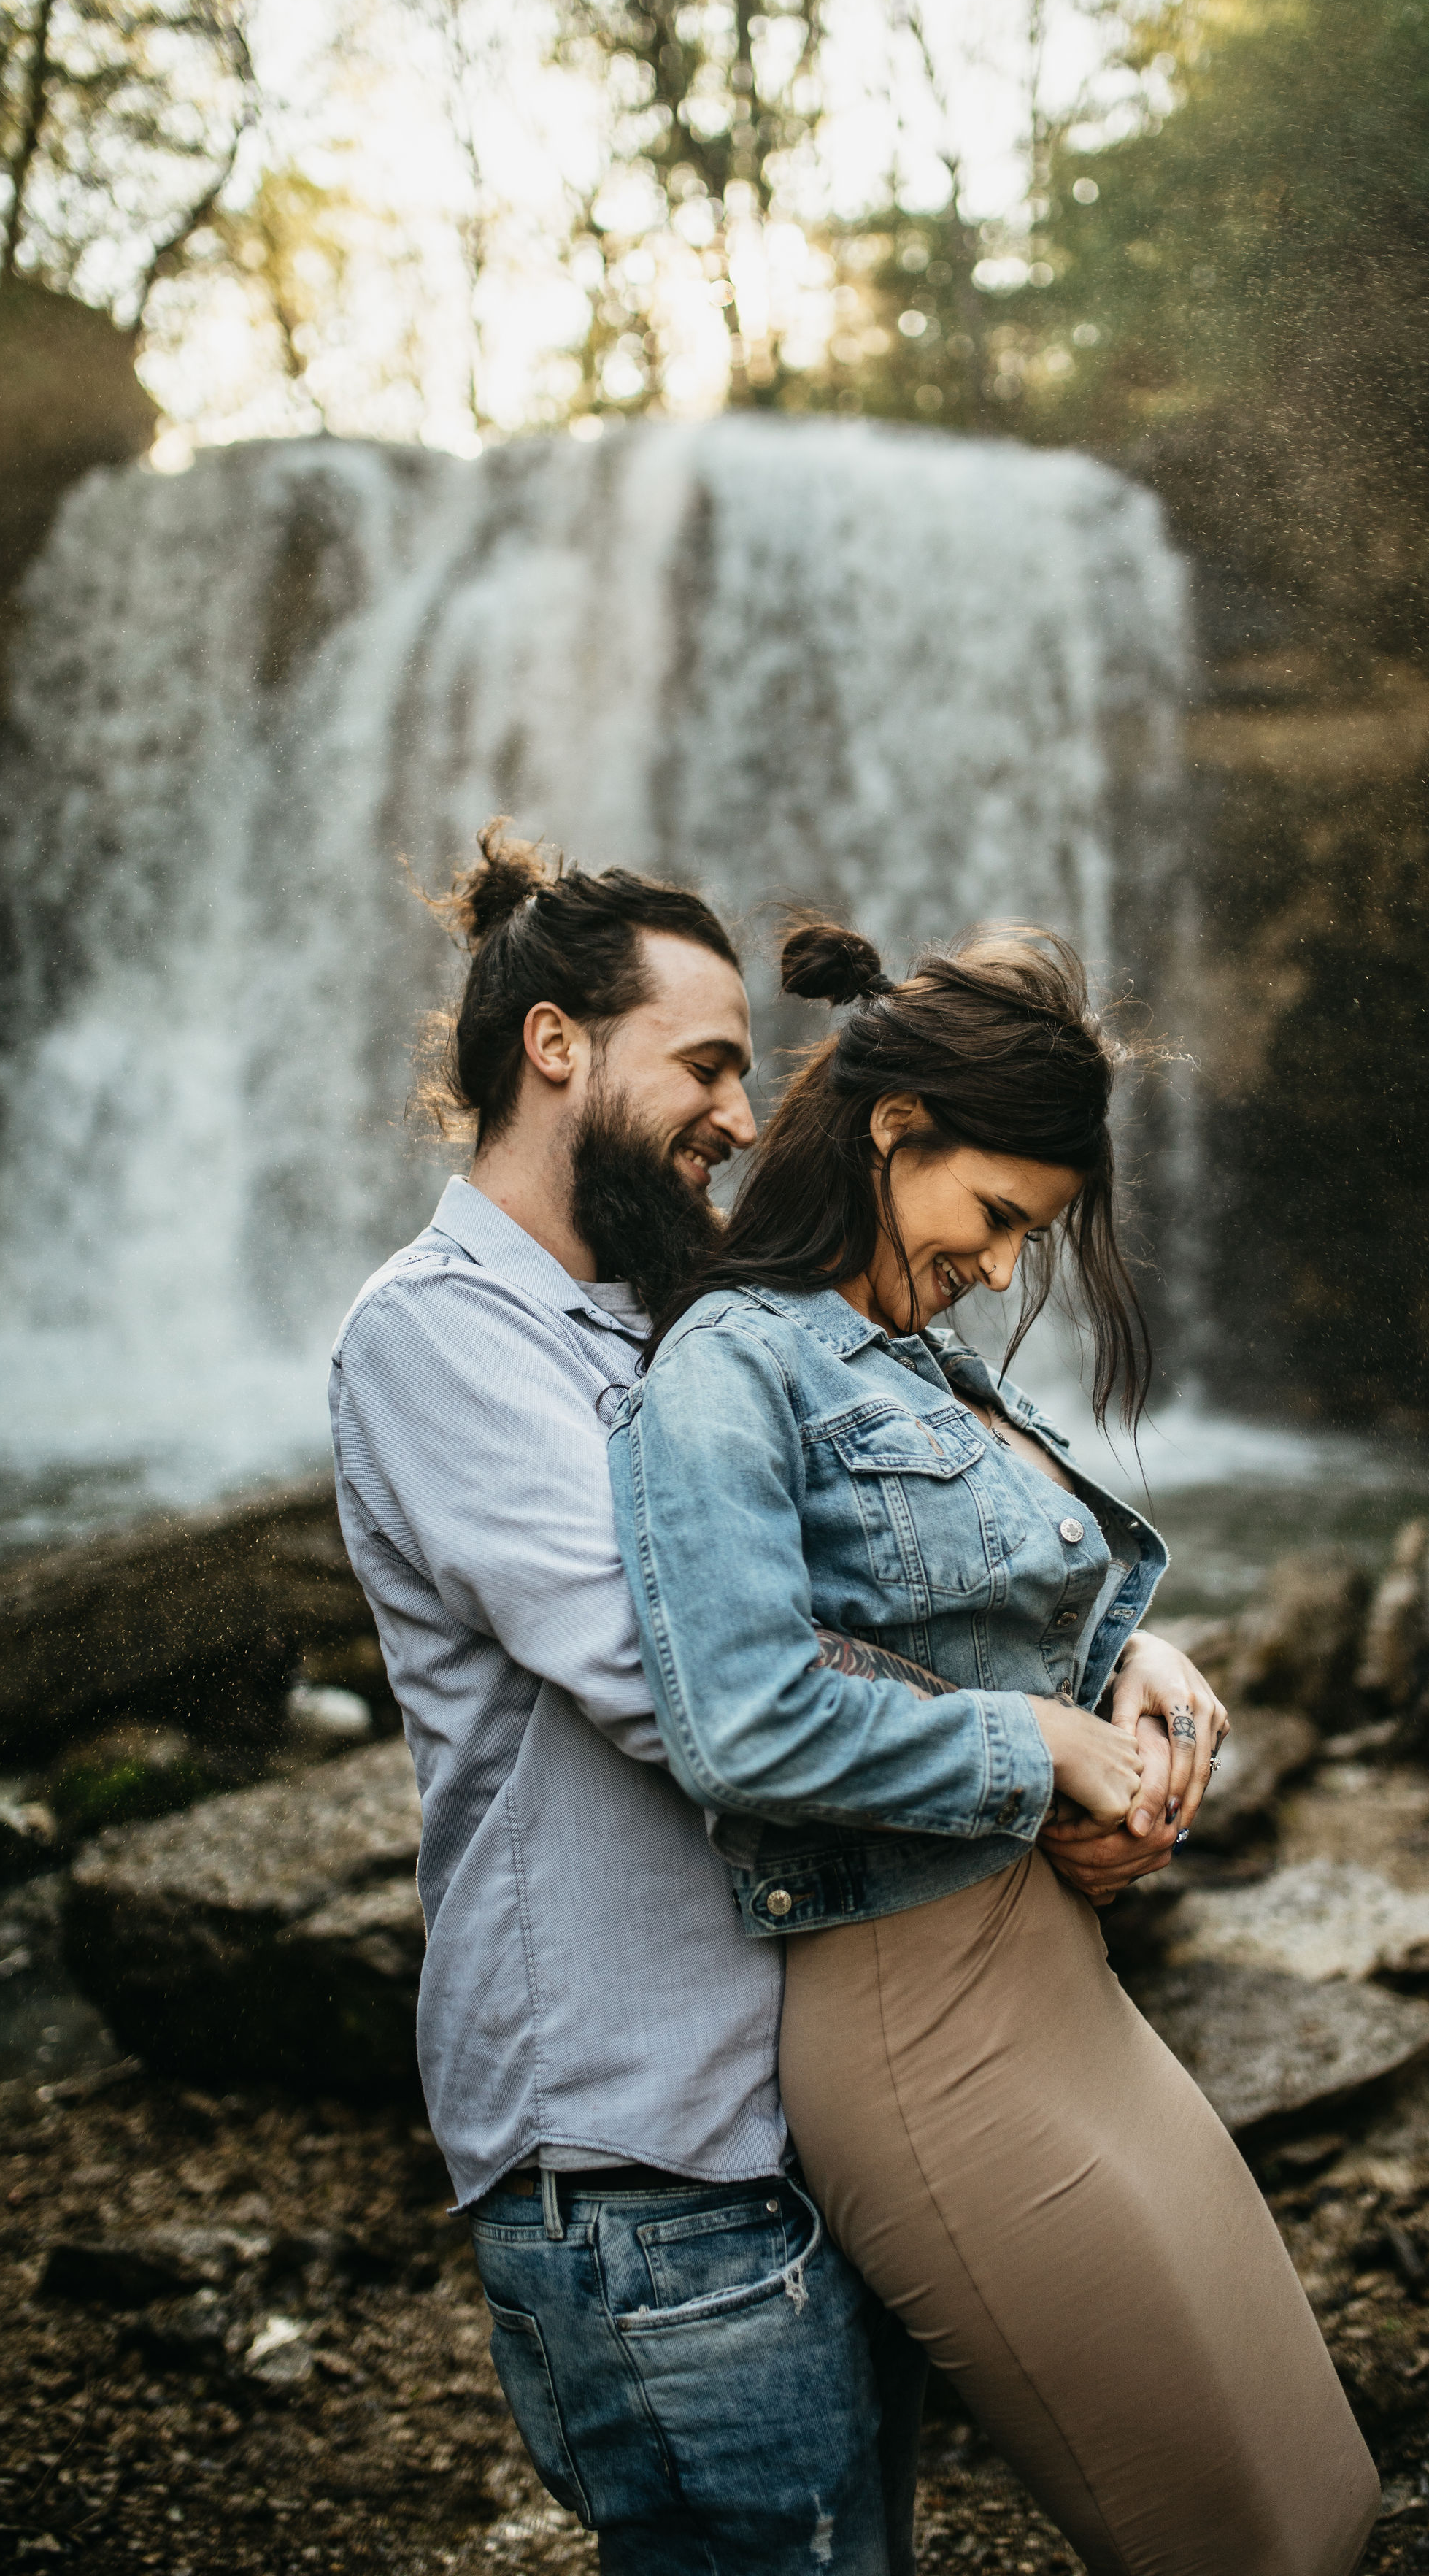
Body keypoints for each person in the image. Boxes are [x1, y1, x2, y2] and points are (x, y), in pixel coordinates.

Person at [609, 921, 1382, 2576]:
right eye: (998, 1219)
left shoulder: (921, 1357)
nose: (1006, 1265)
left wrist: (1136, 1667)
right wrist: (1044, 1751)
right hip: (916, 2032)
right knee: (1219, 2531)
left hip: (1064, 1991)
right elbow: (738, 1719)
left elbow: (999, 1610)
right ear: (897, 1134)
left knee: (1315, 2490)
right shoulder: (724, 1371)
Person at [330, 826, 936, 2576]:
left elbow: (899, 1561)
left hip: (796, 2127)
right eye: (711, 1064)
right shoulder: (436, 1338)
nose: (746, 1120)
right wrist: (1023, 1756)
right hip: (640, 2164)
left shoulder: (672, 1322)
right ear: (556, 1047)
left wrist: (1118, 1652)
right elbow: (691, 1689)